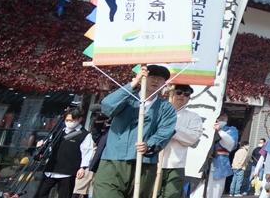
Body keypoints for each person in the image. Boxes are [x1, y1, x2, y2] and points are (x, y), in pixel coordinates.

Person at [93, 65, 179, 198]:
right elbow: (107, 106)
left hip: (144, 164)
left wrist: (149, 144)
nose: (155, 81)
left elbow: (165, 131)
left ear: (165, 84)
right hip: (113, 160)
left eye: (160, 78)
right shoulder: (127, 97)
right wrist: (132, 84)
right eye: (151, 76)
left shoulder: (166, 108)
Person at [36, 107, 94, 198]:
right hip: (51, 169)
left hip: (68, 171)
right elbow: (49, 146)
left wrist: (83, 167)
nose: (69, 122)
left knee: (65, 195)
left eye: (72, 120)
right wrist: (41, 147)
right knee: (41, 194)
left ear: (79, 119)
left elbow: (87, 152)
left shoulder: (84, 134)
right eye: (67, 120)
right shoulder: (58, 132)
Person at [159, 85, 204, 198]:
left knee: (171, 195)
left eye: (186, 94)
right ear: (171, 94)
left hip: (175, 165)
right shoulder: (158, 111)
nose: (182, 96)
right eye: (178, 92)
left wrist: (172, 129)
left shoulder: (193, 117)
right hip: (153, 163)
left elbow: (193, 138)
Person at [75, 112, 110, 198]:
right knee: (79, 191)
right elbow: (92, 142)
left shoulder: (110, 131)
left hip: (103, 166)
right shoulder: (95, 133)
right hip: (90, 165)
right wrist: (83, 167)